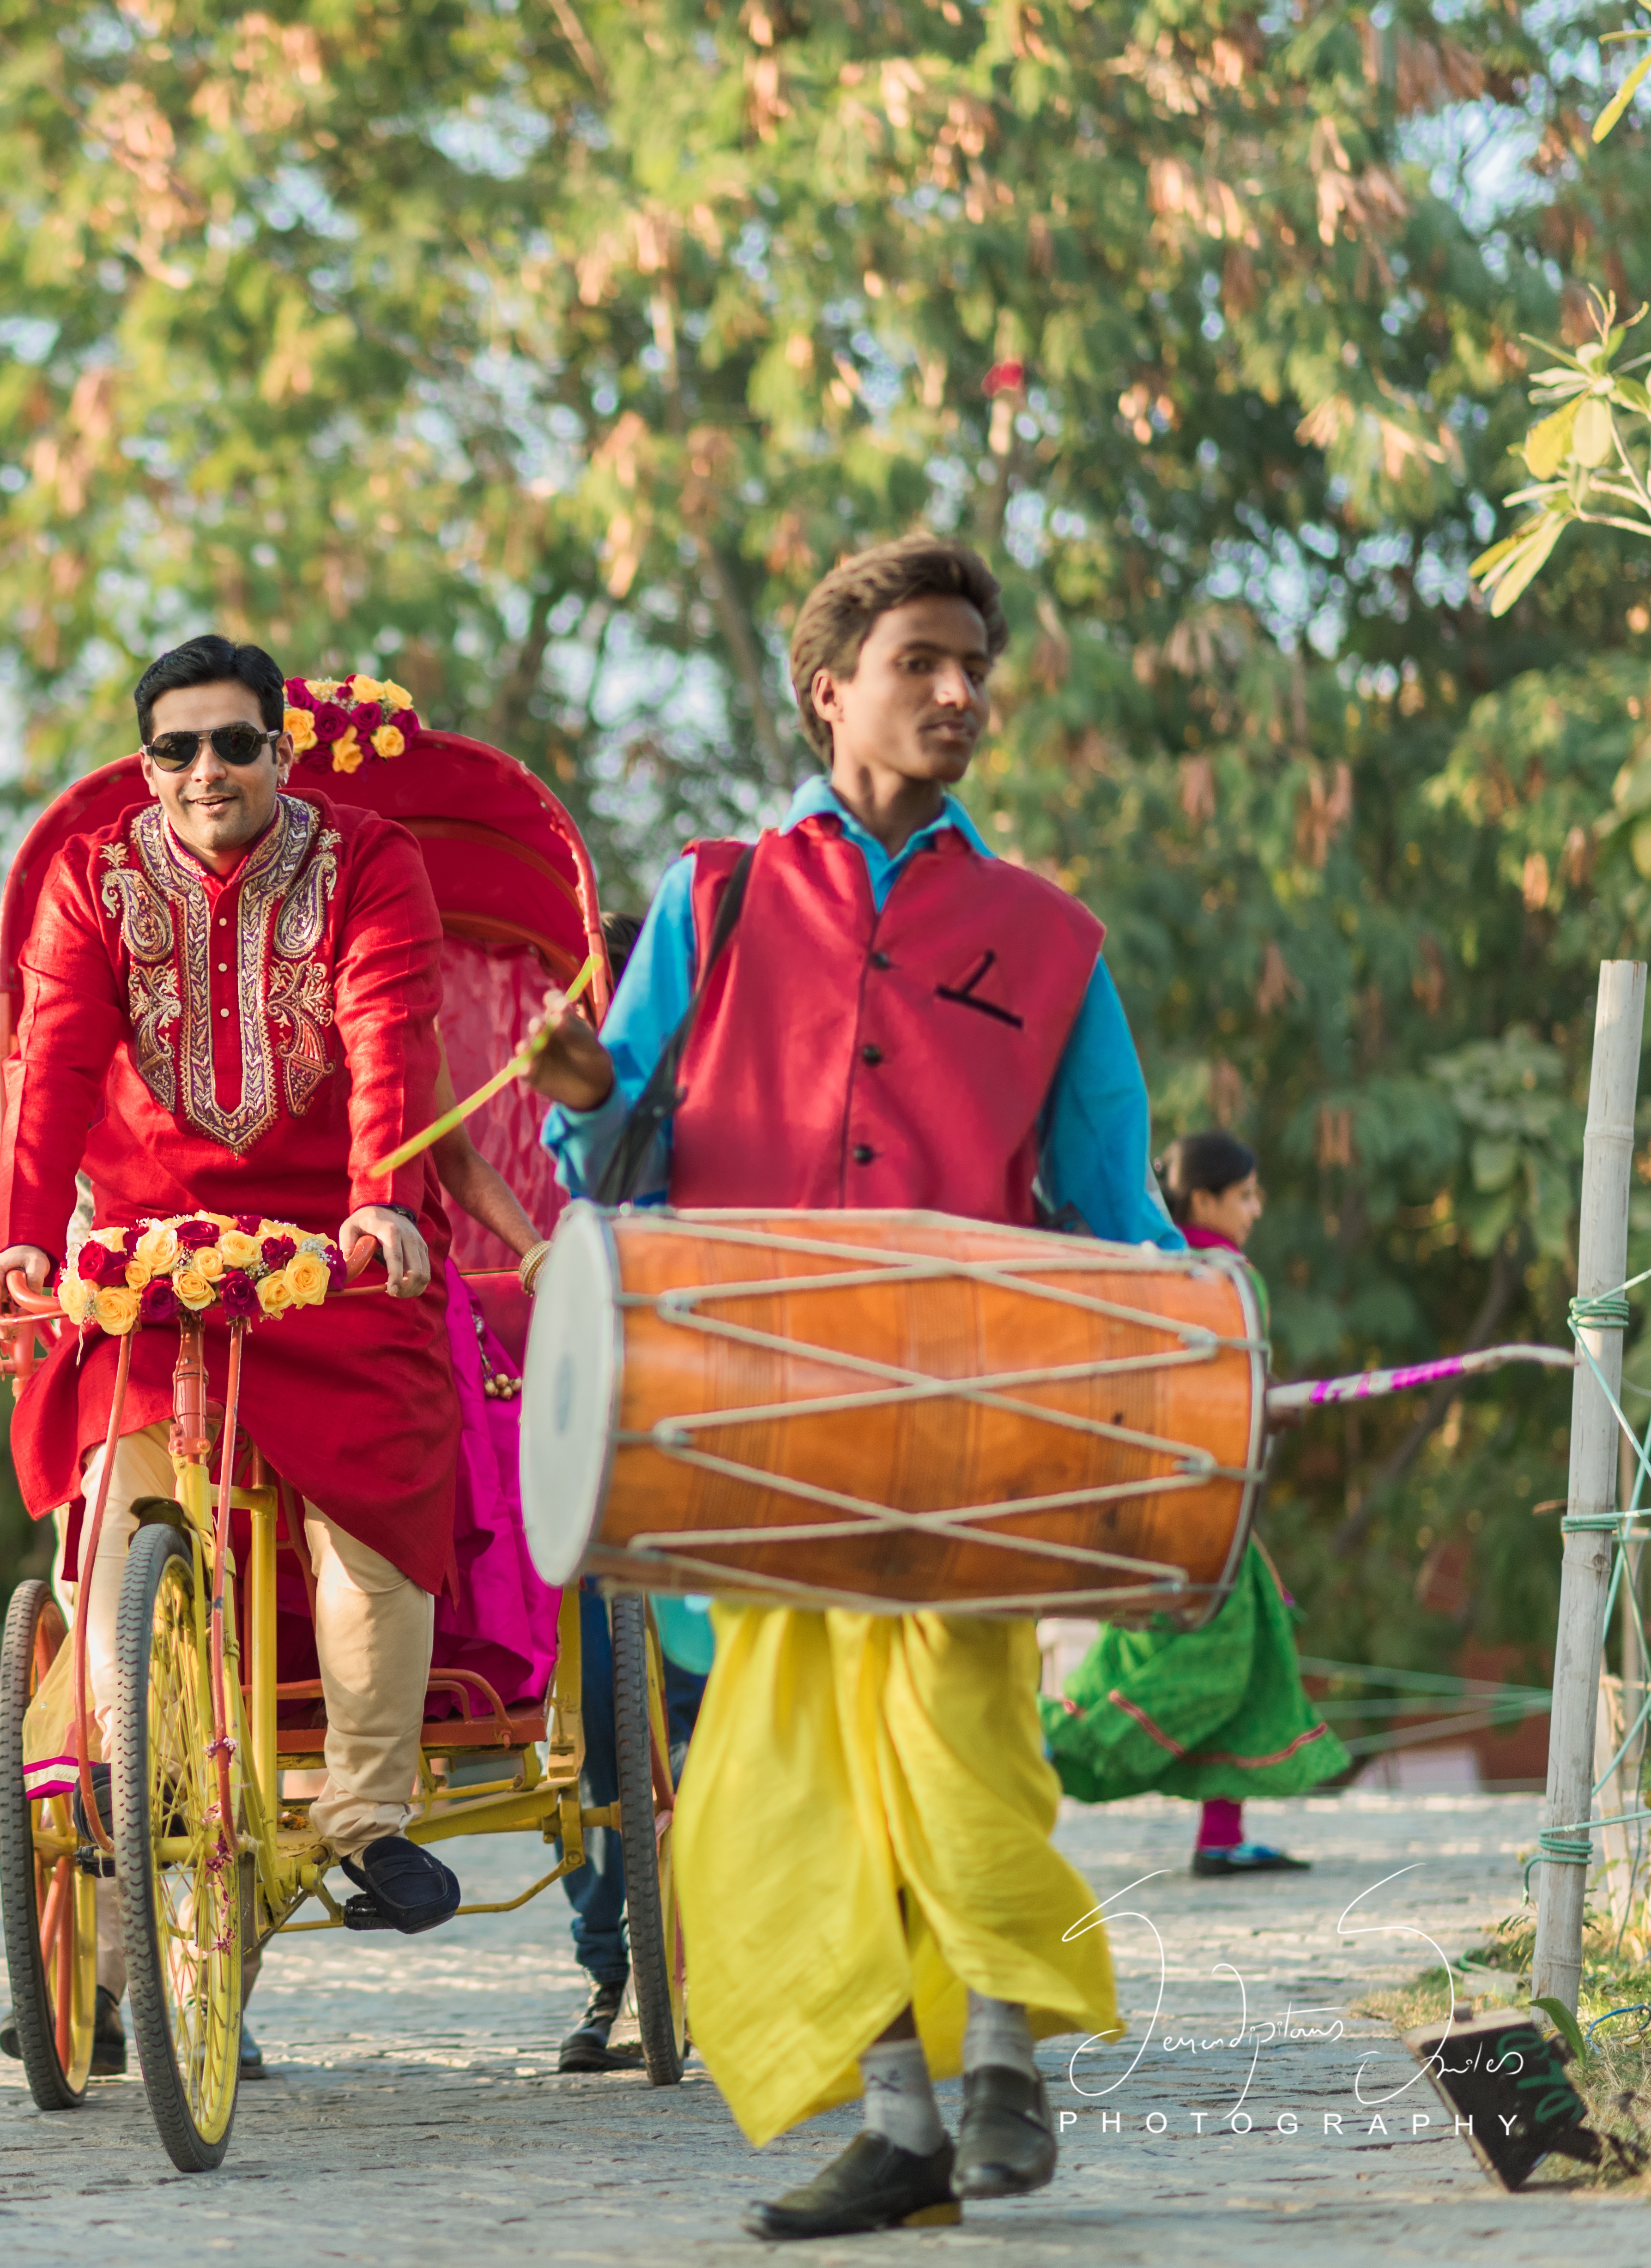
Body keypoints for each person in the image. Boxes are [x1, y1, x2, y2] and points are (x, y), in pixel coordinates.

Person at [525, 537, 1175, 2239]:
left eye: (976, 665)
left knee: (965, 1750)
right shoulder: (715, 896)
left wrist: (1194, 1396)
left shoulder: (1049, 939)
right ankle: (900, 2123)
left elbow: (1121, 1211)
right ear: (832, 690)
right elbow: (601, 1138)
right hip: (748, 1418)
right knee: (788, 1787)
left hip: (962, 1420)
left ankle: (1012, 2072)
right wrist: (587, 1086)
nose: (961, 691)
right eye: (922, 663)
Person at [0, 630, 466, 1982]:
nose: (206, 770)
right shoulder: (93, 878)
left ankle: (366, 1824)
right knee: (112, 1523)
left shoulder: (368, 861)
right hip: (146, 1264)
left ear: (279, 751)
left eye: (234, 743)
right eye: (176, 748)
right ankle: (112, 1816)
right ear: (147, 766)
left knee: (370, 1517)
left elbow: (390, 1025)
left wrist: (381, 1198)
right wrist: (21, 1244)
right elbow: (54, 1065)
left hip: (337, 1258)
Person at [1048, 1130, 1343, 1873]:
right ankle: (1056, 1747)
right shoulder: (1232, 1279)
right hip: (1206, 1507)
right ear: (1204, 1199)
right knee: (1215, 1657)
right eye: (1245, 1194)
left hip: (1156, 1500)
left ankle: (1222, 1837)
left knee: (1240, 1655)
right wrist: (1267, 1409)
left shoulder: (1157, 1273)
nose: (1256, 1207)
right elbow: (1221, 1400)